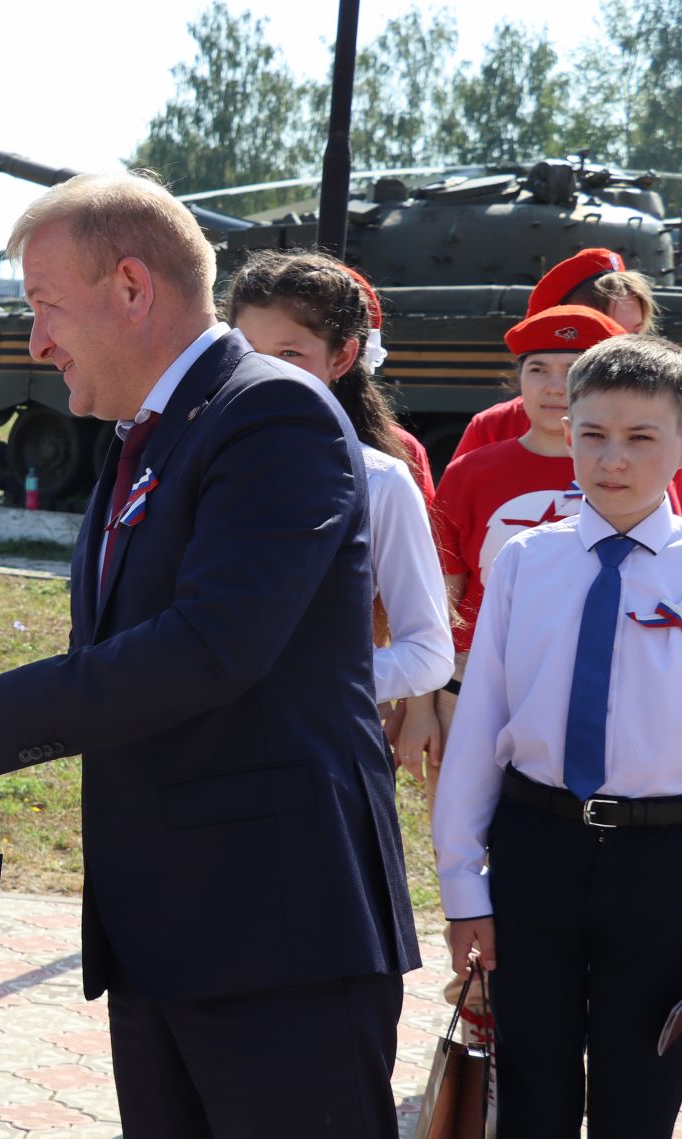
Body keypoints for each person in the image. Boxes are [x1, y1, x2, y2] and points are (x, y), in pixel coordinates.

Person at [0, 172, 422, 1139]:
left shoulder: (270, 410)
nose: (37, 339)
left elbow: (215, 645)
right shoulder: (144, 434)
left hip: (277, 927)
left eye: (46, 305)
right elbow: (127, 650)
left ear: (130, 286)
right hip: (172, 923)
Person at [434, 333, 682, 1139]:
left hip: (662, 866)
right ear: (565, 435)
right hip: (535, 853)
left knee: (636, 1118)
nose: (613, 459)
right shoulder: (527, 564)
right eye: (593, 435)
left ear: (680, 447)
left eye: (642, 438)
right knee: (534, 1113)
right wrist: (465, 887)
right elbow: (482, 724)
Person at [410, 308, 632, 801]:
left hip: (597, 679)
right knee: (460, 823)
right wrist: (421, 705)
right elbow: (437, 595)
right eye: (538, 370)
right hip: (472, 679)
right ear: (518, 380)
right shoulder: (471, 472)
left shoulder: (634, 477)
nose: (555, 387)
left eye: (574, 370)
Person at [225, 251, 453, 709]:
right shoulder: (185, 457)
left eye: (291, 353)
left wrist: (303, 680)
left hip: (304, 744)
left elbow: (428, 653)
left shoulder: (381, 481)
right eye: (246, 351)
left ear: (343, 357)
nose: (264, 373)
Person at [451, 248, 660, 463]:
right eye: (604, 331)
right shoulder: (495, 426)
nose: (624, 350)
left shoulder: (661, 427)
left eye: (634, 334)